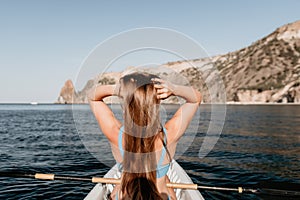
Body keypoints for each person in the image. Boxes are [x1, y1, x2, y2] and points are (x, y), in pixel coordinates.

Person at [88, 72, 201, 200]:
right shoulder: (169, 134)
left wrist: (117, 89)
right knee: (167, 185)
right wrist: (174, 89)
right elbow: (195, 98)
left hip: (124, 196)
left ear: (126, 105)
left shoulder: (115, 133)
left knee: (116, 190)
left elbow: (92, 96)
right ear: (156, 104)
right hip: (160, 196)